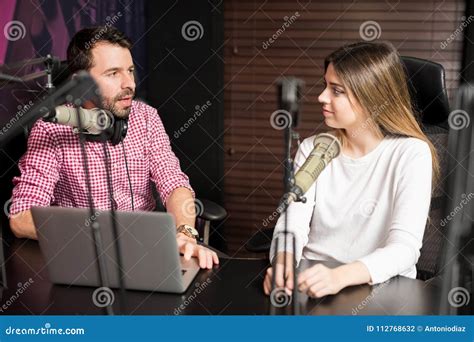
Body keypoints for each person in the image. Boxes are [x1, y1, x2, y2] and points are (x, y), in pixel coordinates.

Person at [9, 26, 218, 269]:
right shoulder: (51, 130)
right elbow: (21, 217)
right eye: (113, 73)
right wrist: (104, 235)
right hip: (83, 261)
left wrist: (186, 233)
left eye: (129, 71)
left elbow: (174, 184)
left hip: (146, 253)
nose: (129, 83)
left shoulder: (146, 118)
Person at [263, 41, 439, 298]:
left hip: (380, 290)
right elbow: (293, 223)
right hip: (313, 281)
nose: (321, 97)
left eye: (337, 90)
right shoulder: (315, 147)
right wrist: (283, 261)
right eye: (326, 86)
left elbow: (405, 248)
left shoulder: (411, 153)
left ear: (372, 97)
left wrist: (340, 276)